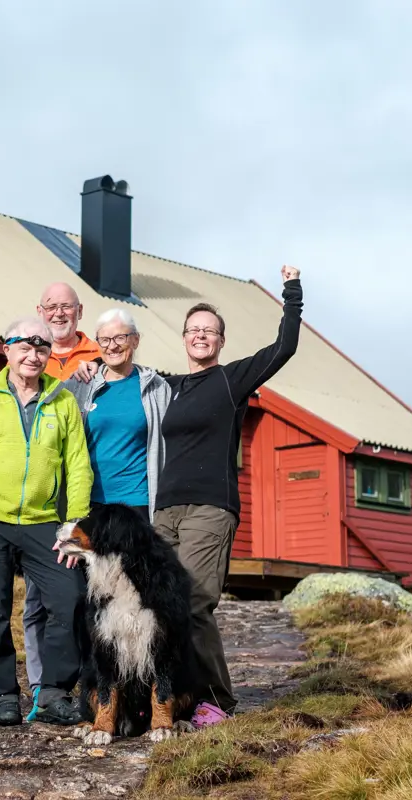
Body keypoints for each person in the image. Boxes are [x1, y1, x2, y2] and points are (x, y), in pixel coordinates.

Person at [153, 264, 304, 729]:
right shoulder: (169, 386)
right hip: (165, 509)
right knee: (159, 603)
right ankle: (171, 696)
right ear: (183, 338)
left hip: (210, 507)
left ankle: (216, 699)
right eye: (194, 330)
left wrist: (292, 292)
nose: (201, 336)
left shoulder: (231, 380)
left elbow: (285, 347)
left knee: (195, 602)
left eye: (210, 331)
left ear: (220, 341)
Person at [0, 316, 94, 727]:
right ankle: (2, 697)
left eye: (42, 347)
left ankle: (53, 694)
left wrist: (75, 528)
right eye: (24, 347)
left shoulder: (62, 402)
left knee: (71, 599)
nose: (34, 355)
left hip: (46, 523)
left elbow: (78, 467)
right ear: (6, 351)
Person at [60, 308, 171, 523]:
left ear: (135, 340)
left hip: (137, 502)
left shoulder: (157, 388)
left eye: (120, 337)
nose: (112, 346)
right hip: (88, 502)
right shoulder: (81, 385)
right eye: (104, 340)